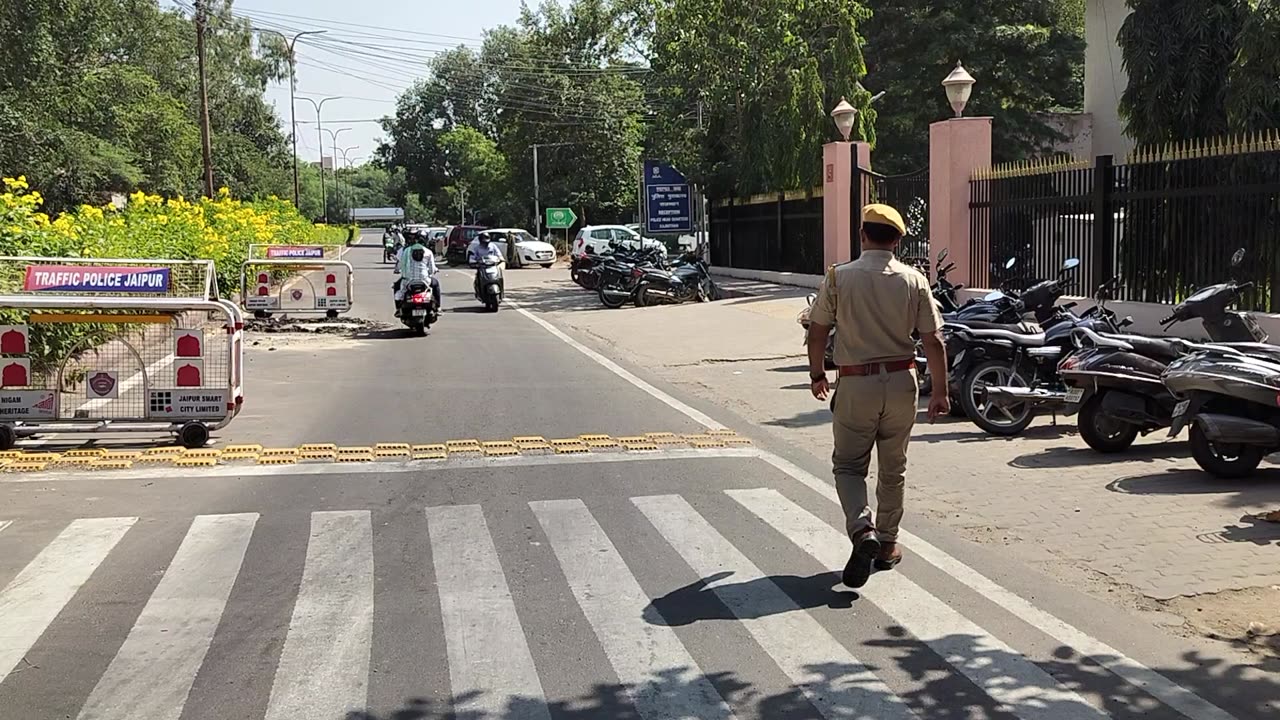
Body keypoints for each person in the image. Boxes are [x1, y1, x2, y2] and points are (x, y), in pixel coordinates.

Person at [805, 203, 949, 589]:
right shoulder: (915, 279)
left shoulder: (839, 278)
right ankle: (886, 543)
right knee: (893, 466)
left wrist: (818, 373)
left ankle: (861, 528)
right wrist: (941, 392)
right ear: (899, 241)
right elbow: (933, 340)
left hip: (856, 383)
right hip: (903, 381)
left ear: (862, 235)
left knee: (849, 467)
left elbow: (817, 332)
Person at [393, 232, 440, 314]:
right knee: (436, 284)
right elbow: (432, 269)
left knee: (397, 286)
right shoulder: (428, 252)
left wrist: (399, 270)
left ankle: (398, 309)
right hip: (425, 281)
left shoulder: (406, 251)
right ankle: (438, 307)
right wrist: (429, 273)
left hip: (408, 281)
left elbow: (401, 264)